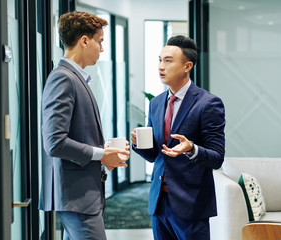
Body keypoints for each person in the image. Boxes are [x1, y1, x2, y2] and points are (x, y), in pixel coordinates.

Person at [39, 11, 130, 240]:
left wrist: (104, 150)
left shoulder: (75, 77)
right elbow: (55, 142)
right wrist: (101, 155)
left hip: (81, 197)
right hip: (76, 197)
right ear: (84, 40)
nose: (102, 49)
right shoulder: (64, 78)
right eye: (100, 41)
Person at [131, 35, 225, 240]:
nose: (160, 66)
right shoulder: (156, 103)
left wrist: (191, 148)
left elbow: (217, 157)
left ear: (187, 66)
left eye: (168, 60)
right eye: (159, 60)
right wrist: (139, 145)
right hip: (159, 202)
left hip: (190, 203)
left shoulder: (208, 104)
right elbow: (157, 155)